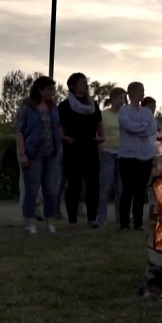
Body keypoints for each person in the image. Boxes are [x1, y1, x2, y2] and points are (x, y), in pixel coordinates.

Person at [15, 76, 63, 234]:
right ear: (39, 90)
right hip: (33, 154)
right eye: (49, 90)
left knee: (51, 190)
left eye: (53, 90)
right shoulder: (27, 106)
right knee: (32, 190)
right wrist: (22, 153)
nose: (52, 93)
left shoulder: (53, 107)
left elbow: (56, 128)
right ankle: (30, 222)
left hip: (51, 154)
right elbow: (19, 130)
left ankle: (51, 222)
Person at [58, 73, 103, 228]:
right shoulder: (64, 106)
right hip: (73, 148)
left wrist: (101, 137)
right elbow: (58, 126)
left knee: (93, 184)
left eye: (86, 83)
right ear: (72, 86)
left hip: (91, 147)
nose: (86, 85)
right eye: (82, 83)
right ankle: (72, 219)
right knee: (74, 185)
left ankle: (92, 218)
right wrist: (64, 138)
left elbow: (98, 123)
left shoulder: (93, 105)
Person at [118, 82, 159, 231]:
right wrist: (143, 127)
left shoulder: (147, 112)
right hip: (128, 156)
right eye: (141, 90)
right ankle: (124, 223)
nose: (143, 93)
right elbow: (127, 125)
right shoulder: (124, 110)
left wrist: (139, 128)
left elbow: (152, 128)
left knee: (140, 192)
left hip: (145, 156)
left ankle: (138, 223)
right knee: (127, 190)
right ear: (132, 92)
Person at [97, 87, 125, 227]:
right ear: (113, 99)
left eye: (124, 98)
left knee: (121, 188)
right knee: (105, 187)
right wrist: (100, 144)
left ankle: (120, 218)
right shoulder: (103, 115)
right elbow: (97, 130)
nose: (122, 101)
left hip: (123, 154)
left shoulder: (125, 115)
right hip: (107, 153)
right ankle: (101, 218)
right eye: (120, 98)